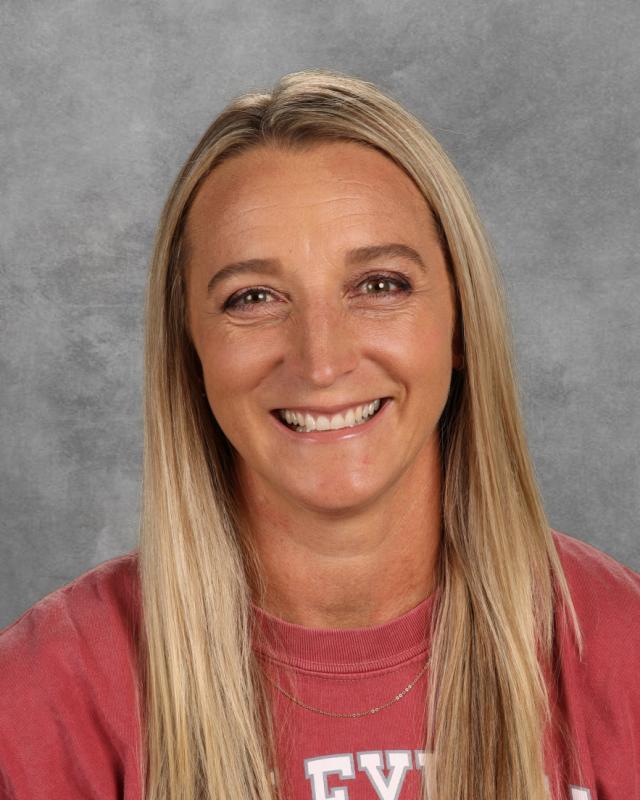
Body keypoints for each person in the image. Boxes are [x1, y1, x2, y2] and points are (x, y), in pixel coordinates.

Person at [1, 69, 638, 800]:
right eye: (254, 298)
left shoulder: (620, 650)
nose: (322, 360)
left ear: (461, 323)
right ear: (190, 350)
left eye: (379, 285)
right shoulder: (41, 698)